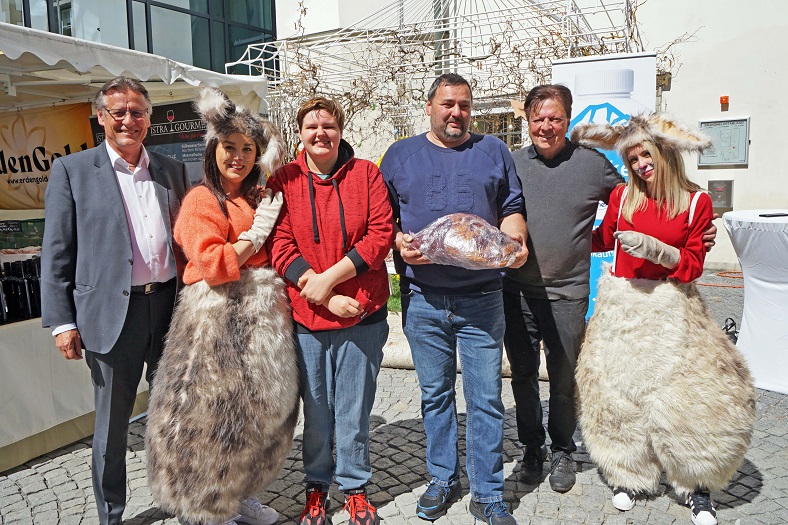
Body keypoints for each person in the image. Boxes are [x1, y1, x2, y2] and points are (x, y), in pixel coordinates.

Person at [504, 85, 718, 493]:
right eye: (538, 119)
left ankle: (564, 448)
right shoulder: (511, 163)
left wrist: (693, 227)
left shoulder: (592, 164)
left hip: (568, 293)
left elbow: (643, 196)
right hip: (517, 292)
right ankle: (533, 448)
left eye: (555, 118)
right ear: (527, 121)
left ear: (568, 121)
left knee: (566, 379)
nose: (546, 126)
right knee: (523, 376)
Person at [572, 114, 755, 525]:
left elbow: (691, 265)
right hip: (623, 304)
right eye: (633, 158)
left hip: (672, 307)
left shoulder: (696, 202)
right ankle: (628, 474)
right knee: (615, 395)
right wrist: (565, 223)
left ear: (666, 152)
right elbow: (602, 238)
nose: (640, 164)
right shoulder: (623, 197)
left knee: (684, 396)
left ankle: (695, 484)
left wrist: (656, 249)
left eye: (645, 154)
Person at [144, 88, 298, 525]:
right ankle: (209, 505)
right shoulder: (201, 200)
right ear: (214, 150)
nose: (238, 156)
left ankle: (239, 493)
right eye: (229, 147)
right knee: (212, 414)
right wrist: (254, 237)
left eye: (248, 148)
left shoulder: (256, 197)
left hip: (261, 322)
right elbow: (211, 262)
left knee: (255, 414)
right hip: (215, 321)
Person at [379, 73, 528, 525]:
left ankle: (487, 492)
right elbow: (383, 219)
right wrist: (397, 243)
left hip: (482, 298)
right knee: (435, 394)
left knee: (485, 398)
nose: (456, 113)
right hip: (423, 298)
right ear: (429, 107)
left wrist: (515, 242)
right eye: (447, 104)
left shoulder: (493, 151)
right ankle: (443, 478)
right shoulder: (401, 155)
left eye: (464, 105)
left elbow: (512, 206)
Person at [40, 76, 189, 525]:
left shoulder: (169, 169)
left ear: (150, 117)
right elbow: (57, 251)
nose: (129, 120)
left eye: (137, 111)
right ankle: (112, 514)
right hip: (110, 316)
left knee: (178, 415)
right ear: (101, 117)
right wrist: (62, 322)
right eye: (119, 112)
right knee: (112, 424)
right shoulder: (73, 171)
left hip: (169, 310)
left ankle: (185, 499)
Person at [267, 97, 393, 525]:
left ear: (340, 129)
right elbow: (279, 246)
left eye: (328, 125)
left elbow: (380, 235)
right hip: (307, 319)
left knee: (354, 409)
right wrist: (321, 295)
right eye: (310, 126)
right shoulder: (284, 179)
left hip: (362, 313)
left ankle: (356, 490)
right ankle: (317, 489)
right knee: (317, 410)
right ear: (299, 133)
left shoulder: (367, 175)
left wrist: (329, 280)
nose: (320, 133)